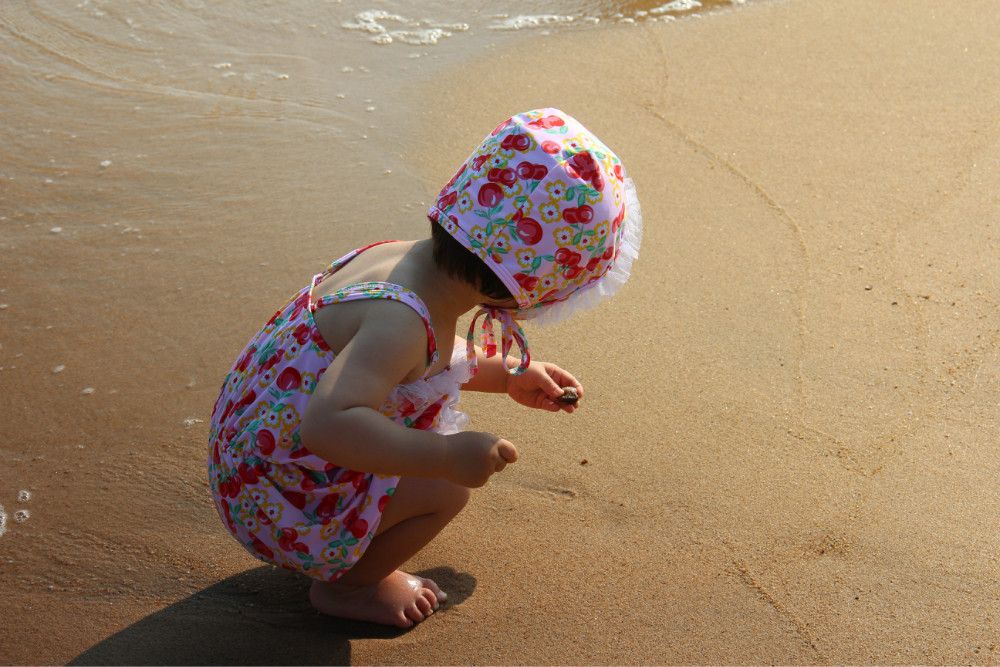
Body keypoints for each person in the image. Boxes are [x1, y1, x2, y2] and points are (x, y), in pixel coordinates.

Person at [207, 108, 642, 628]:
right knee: (446, 491)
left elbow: (424, 361)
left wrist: (506, 374)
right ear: (516, 289)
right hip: (271, 501)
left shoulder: (403, 263)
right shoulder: (402, 323)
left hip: (248, 459)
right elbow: (327, 423)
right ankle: (350, 588)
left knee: (417, 455)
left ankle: (343, 540)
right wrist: (443, 456)